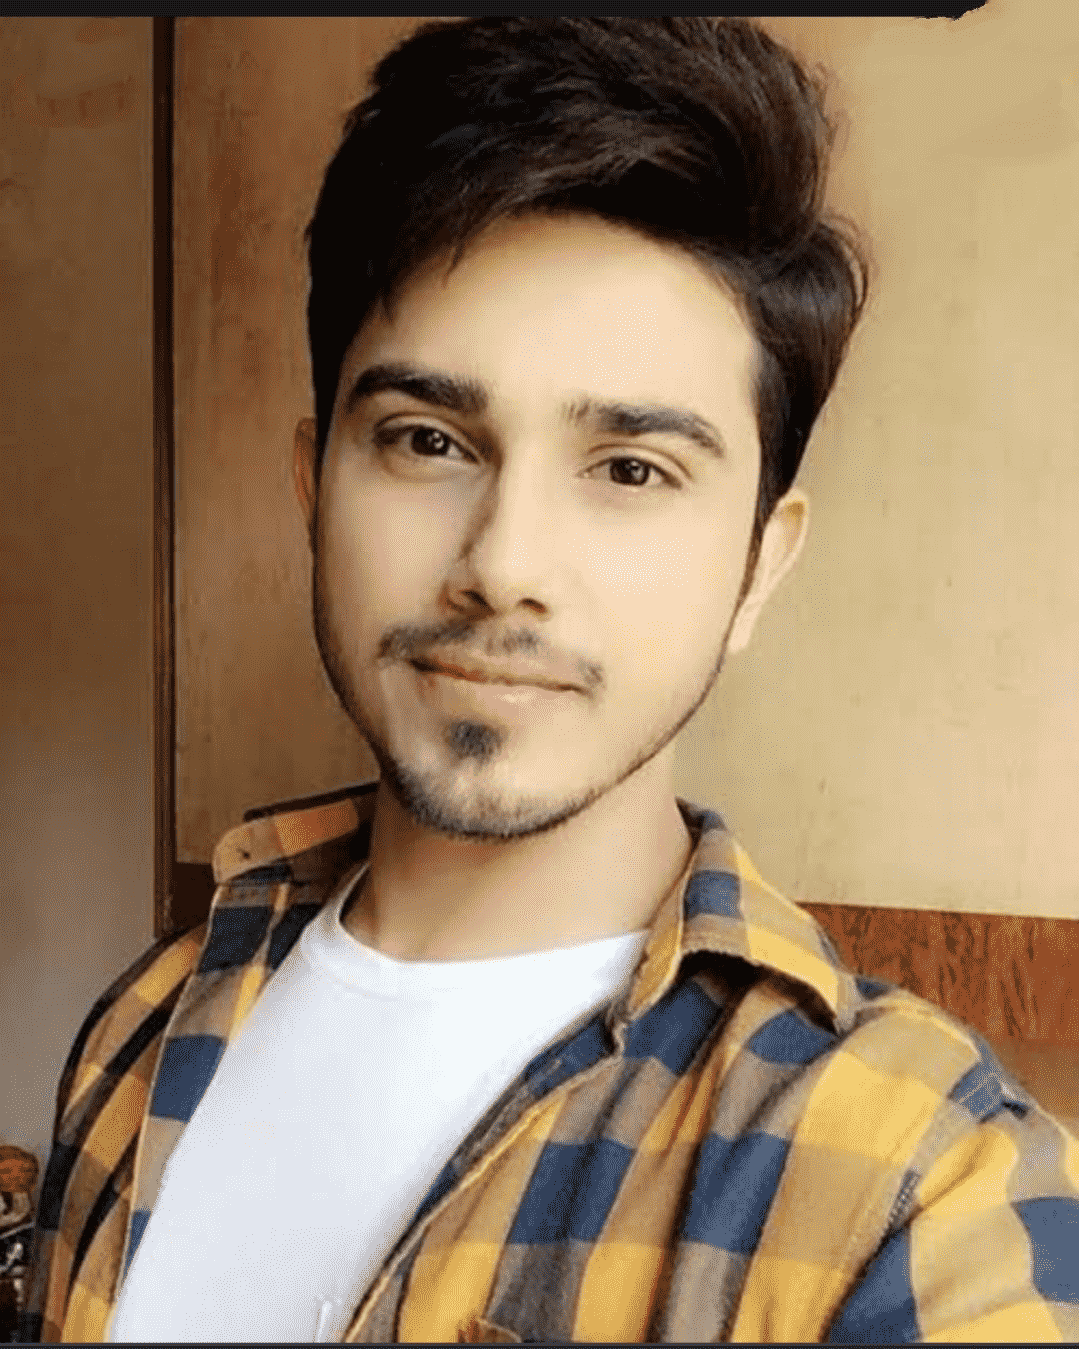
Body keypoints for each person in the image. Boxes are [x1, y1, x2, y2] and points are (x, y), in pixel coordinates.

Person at [20, 16, 1077, 1345]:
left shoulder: (924, 1186)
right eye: (426, 441)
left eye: (632, 469)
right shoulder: (148, 1016)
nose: (502, 567)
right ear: (311, 488)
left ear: (760, 565)